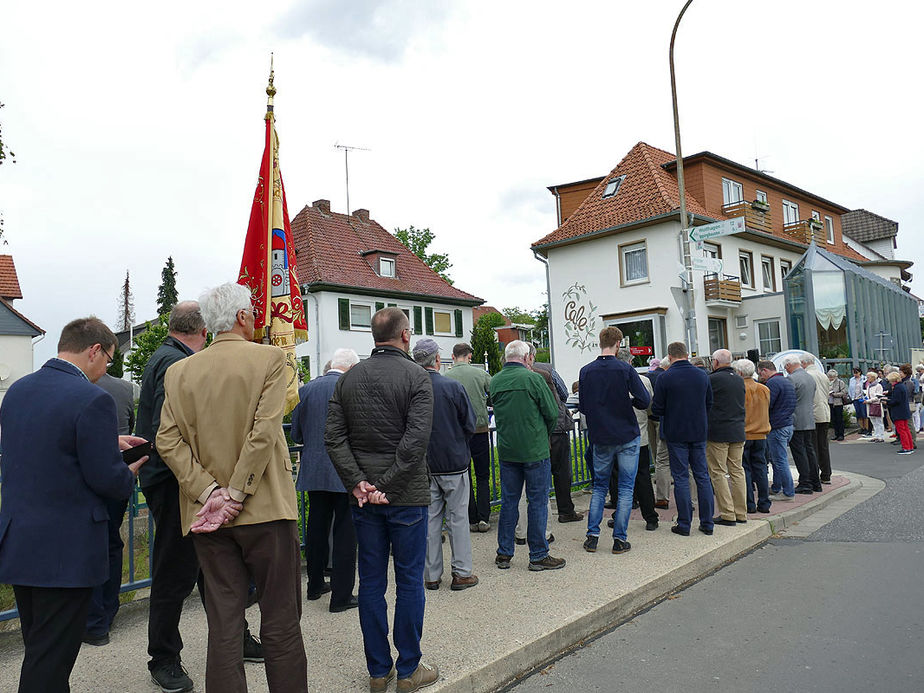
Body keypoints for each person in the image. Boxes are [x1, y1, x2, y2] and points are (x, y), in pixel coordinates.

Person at [157, 283, 307, 693]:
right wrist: (236, 494)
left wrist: (209, 494)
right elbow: (264, 432)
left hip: (208, 518)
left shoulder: (179, 372)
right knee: (280, 619)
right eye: (253, 312)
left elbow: (167, 441)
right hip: (266, 511)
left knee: (223, 623)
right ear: (242, 317)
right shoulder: (270, 359)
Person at [0, 317, 147, 693]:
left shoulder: (18, 391)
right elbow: (107, 481)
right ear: (94, 350)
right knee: (50, 661)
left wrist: (104, 443)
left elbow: (42, 449)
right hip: (65, 553)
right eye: (109, 359)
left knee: (41, 647)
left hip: (20, 543)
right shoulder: (92, 399)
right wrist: (128, 471)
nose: (106, 369)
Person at [136, 301, 261, 693]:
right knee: (176, 572)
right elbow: (168, 435)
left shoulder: (166, 358)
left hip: (182, 481)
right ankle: (164, 658)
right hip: (176, 484)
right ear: (204, 330)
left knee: (215, 568)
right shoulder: (174, 364)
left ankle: (234, 637)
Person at [325, 307, 438, 693]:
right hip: (405, 496)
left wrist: (360, 484)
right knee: (409, 581)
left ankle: (378, 670)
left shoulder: (348, 379)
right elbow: (415, 442)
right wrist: (385, 484)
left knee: (371, 582)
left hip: (365, 500)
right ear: (405, 336)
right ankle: (409, 669)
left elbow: (333, 438)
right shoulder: (417, 377)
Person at [290, 347, 360, 612]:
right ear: (351, 368)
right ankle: (341, 596)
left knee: (317, 527)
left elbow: (296, 434)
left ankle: (315, 585)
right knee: (345, 532)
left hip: (314, 468)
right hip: (344, 471)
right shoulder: (350, 389)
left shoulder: (305, 390)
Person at [490, 340, 565, 572]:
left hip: (507, 449)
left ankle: (504, 553)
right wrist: (542, 433)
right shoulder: (534, 379)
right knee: (538, 502)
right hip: (535, 449)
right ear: (526, 358)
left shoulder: (495, 381)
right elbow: (552, 413)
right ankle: (538, 555)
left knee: (509, 501)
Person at [413, 339, 479, 592]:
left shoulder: (411, 389)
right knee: (458, 519)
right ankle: (461, 573)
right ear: (437, 360)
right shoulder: (452, 386)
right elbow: (469, 424)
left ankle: (431, 575)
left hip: (424, 464)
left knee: (429, 521)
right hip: (453, 461)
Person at [578, 331, 650, 554]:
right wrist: (629, 401)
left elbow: (583, 407)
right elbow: (644, 400)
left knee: (600, 487)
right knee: (626, 488)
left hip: (601, 436)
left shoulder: (586, 371)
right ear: (618, 344)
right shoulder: (625, 369)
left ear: (600, 343)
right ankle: (619, 539)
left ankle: (592, 536)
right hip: (627, 434)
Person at [83, 371, 136, 646]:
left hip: (86, 481)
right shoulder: (124, 388)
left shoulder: (76, 389)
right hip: (119, 474)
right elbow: (130, 425)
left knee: (89, 545)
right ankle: (108, 610)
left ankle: (93, 621)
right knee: (112, 542)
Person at [651, 341, 715, 536]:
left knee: (680, 477)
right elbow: (709, 402)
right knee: (702, 476)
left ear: (670, 357)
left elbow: (657, 408)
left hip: (675, 432)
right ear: (686, 354)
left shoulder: (665, 377)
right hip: (698, 431)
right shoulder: (702, 375)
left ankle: (685, 523)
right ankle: (707, 523)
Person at [445, 342, 493, 532]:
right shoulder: (481, 374)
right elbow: (494, 393)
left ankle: (471, 517)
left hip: (457, 434)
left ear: (453, 355)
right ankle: (484, 517)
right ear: (470, 356)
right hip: (480, 430)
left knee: (465, 477)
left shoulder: (446, 376)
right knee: (483, 475)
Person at [617, 347, 659, 532]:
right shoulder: (644, 380)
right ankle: (650, 517)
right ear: (631, 361)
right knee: (643, 477)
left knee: (619, 479)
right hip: (639, 436)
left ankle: (619, 516)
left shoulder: (610, 380)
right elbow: (650, 406)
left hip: (616, 436)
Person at [535, 368, 583, 524]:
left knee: (537, 475)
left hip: (534, 430)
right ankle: (566, 510)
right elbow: (563, 393)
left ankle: (539, 516)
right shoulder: (547, 370)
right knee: (562, 472)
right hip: (556, 428)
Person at [706, 349, 747, 526]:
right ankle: (741, 512)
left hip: (718, 431)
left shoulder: (712, 379)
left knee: (718, 472)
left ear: (715, 362)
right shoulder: (739, 379)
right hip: (738, 430)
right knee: (737, 471)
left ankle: (727, 513)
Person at [734, 359, 771, 514]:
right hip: (761, 433)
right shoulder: (764, 389)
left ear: (740, 373)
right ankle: (764, 503)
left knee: (745, 469)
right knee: (761, 469)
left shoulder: (738, 388)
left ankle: (749, 504)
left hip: (745, 433)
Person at [757, 360, 796, 501]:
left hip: (777, 426)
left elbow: (766, 405)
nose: (760, 376)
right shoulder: (786, 381)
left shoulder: (772, 384)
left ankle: (788, 492)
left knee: (780, 460)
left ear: (764, 371)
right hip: (787, 424)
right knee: (778, 459)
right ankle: (777, 487)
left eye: (760, 373)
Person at [785, 355, 821, 494]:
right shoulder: (809, 377)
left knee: (800, 452)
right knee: (810, 450)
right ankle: (815, 482)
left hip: (797, 419)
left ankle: (805, 483)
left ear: (789, 365)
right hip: (809, 418)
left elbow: (790, 400)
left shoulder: (792, 379)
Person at [802, 354, 832, 485]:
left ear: (804, 363)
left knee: (812, 446)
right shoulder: (823, 375)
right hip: (824, 412)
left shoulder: (808, 376)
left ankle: (813, 475)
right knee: (823, 445)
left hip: (813, 413)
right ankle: (826, 474)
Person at [646, 359, 671, 509]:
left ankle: (661, 491)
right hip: (663, 420)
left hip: (650, 417)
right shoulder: (666, 378)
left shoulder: (649, 377)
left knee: (657, 456)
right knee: (665, 458)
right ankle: (664, 493)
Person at [885, 371, 914, 454]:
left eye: (890, 381)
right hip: (904, 411)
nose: (890, 383)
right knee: (906, 429)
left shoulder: (897, 388)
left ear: (893, 380)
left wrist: (887, 402)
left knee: (902, 431)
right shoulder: (902, 386)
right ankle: (910, 446)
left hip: (899, 412)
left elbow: (896, 401)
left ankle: (906, 448)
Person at [899, 364, 918, 449]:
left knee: (909, 424)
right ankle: (911, 441)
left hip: (908, 404)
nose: (899, 373)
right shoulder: (906, 382)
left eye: (901, 372)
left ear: (905, 373)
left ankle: (912, 441)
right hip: (908, 403)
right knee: (909, 423)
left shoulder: (908, 382)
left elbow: (907, 394)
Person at [848, 367, 870, 438]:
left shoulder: (864, 379)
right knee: (858, 413)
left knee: (864, 413)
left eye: (856, 373)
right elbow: (850, 389)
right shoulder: (851, 380)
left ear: (860, 372)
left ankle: (866, 428)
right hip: (855, 398)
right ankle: (862, 427)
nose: (855, 374)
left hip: (862, 398)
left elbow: (866, 388)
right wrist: (851, 397)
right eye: (854, 373)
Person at [827, 369, 849, 443]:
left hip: (838, 403)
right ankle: (836, 434)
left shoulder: (840, 382)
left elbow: (843, 392)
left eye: (832, 377)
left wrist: (834, 394)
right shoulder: (827, 382)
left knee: (839, 419)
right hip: (830, 402)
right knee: (833, 419)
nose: (831, 378)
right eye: (829, 377)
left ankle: (841, 434)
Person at [865, 371, 886, 442]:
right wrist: (865, 399)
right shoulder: (868, 386)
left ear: (873, 378)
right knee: (873, 421)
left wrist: (869, 400)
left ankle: (881, 436)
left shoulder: (878, 386)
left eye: (868, 377)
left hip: (876, 405)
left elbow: (878, 396)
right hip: (870, 405)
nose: (867, 378)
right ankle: (876, 435)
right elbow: (867, 395)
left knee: (879, 421)